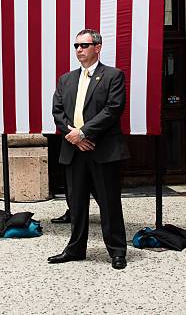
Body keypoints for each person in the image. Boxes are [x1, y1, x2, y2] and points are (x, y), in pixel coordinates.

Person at [48, 29, 129, 270]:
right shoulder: (66, 79)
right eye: (76, 46)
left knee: (109, 203)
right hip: (74, 151)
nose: (79, 50)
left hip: (102, 150)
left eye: (84, 45)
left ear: (98, 47)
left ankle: (117, 251)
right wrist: (74, 137)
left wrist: (83, 133)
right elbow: (57, 111)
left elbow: (113, 109)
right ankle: (75, 249)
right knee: (77, 203)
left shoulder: (113, 76)